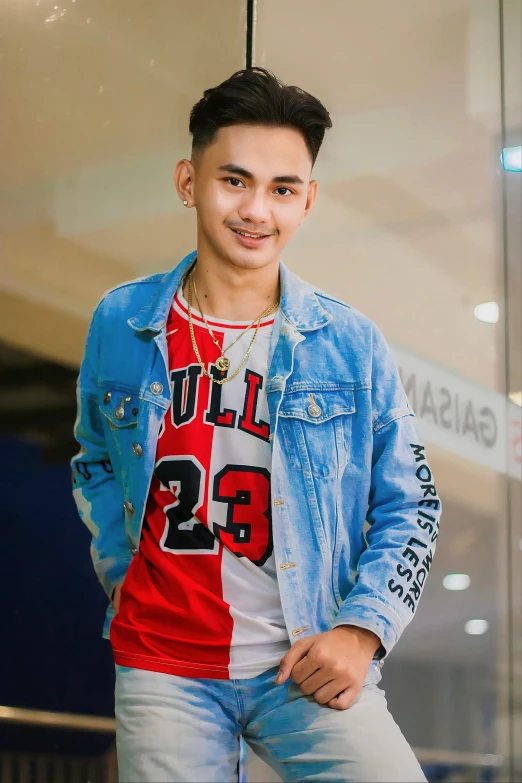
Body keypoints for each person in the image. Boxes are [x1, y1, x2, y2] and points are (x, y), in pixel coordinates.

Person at [71, 67, 441, 783]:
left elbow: (412, 502)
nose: (256, 210)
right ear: (188, 181)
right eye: (233, 180)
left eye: (282, 189)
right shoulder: (122, 320)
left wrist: (363, 630)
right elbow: (94, 457)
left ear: (308, 201)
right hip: (163, 666)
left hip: (305, 659)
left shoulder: (348, 341)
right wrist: (122, 572)